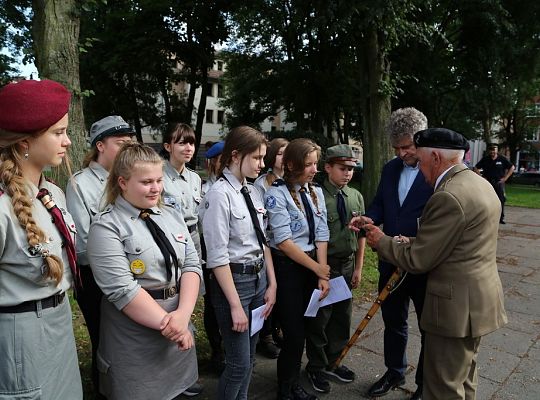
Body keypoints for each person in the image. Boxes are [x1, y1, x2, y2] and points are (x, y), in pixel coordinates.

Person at [359, 128, 508, 400]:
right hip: (477, 303)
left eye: (421, 161)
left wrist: (381, 240)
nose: (420, 168)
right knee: (464, 380)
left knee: (443, 388)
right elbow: (457, 242)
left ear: (436, 157)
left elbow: (419, 260)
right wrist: (413, 240)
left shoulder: (448, 195)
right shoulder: (479, 184)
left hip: (454, 309)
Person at [87, 142, 202, 400]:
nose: (156, 188)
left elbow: (192, 265)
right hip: (135, 337)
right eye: (146, 182)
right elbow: (122, 290)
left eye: (159, 180)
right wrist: (173, 327)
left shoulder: (171, 215)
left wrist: (183, 316)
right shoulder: (106, 227)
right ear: (123, 182)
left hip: (177, 321)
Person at [0, 79, 83, 399]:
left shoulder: (54, 194)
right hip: (21, 337)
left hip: (59, 323)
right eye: (58, 132)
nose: (68, 141)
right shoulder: (4, 206)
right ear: (25, 142)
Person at [355, 107, 431, 399]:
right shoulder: (390, 169)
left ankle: (425, 383)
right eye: (396, 148)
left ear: (421, 141)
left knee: (429, 328)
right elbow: (380, 205)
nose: (401, 153)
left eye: (407, 147)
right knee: (393, 320)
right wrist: (368, 219)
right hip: (390, 260)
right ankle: (394, 371)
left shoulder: (435, 174)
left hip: (423, 263)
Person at [202, 126, 277, 400]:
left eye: (263, 158)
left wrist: (272, 284)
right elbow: (217, 257)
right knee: (238, 363)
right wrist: (235, 305)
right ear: (235, 155)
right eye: (256, 158)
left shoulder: (253, 192)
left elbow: (263, 240)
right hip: (234, 283)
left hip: (258, 280)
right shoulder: (219, 195)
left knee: (249, 359)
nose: (262, 164)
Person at [66, 115, 134, 395]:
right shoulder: (80, 184)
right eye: (121, 143)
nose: (127, 149)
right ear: (100, 145)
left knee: (130, 343)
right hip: (97, 280)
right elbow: (83, 247)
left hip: (132, 275)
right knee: (105, 344)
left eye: (130, 143)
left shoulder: (127, 180)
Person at [264, 138, 331, 400]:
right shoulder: (275, 194)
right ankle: (286, 387)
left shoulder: (315, 192)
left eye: (316, 163)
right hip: (289, 267)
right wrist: (317, 268)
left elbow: (322, 232)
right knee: (294, 333)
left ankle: (291, 382)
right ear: (291, 164)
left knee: (305, 327)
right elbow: (283, 241)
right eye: (308, 164)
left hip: (312, 266)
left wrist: (320, 271)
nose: (315, 169)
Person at [305, 144, 366, 393]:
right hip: (325, 267)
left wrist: (359, 268)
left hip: (347, 264)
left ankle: (333, 360)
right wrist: (321, 270)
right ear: (327, 167)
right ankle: (316, 367)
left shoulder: (355, 196)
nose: (348, 173)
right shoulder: (315, 195)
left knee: (342, 317)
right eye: (343, 168)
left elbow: (361, 234)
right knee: (321, 319)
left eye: (351, 169)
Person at [253, 137, 289, 359]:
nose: (284, 157)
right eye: (280, 153)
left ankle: (277, 328)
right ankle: (264, 336)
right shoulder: (261, 184)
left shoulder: (291, 182)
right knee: (268, 290)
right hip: (268, 246)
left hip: (287, 246)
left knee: (283, 291)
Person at [199, 140, 226, 372]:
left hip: (233, 253)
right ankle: (218, 350)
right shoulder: (207, 190)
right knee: (214, 302)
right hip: (211, 251)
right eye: (222, 159)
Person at [162, 123, 203, 262]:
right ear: (168, 147)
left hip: (194, 237)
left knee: (197, 280)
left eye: (191, 143)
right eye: (182, 143)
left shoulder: (195, 178)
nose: (188, 148)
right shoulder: (157, 177)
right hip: (169, 236)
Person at [474, 144, 515, 224]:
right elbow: (476, 167)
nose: (492, 152)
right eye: (491, 150)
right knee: (486, 200)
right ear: (489, 151)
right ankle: (486, 217)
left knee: (501, 200)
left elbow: (512, 167)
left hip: (498, 182)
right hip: (488, 182)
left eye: (494, 150)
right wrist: (481, 177)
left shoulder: (502, 159)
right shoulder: (485, 159)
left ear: (497, 151)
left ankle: (500, 218)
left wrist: (505, 178)